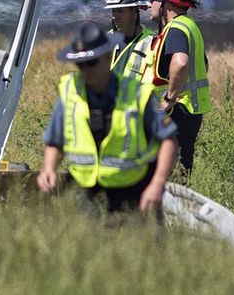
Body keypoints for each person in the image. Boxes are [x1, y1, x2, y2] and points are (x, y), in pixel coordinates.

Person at [37, 21, 178, 216]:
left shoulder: (138, 94)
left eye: (92, 62)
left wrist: (157, 184)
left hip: (133, 194)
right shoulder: (69, 92)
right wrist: (49, 169)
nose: (86, 70)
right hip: (85, 194)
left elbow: (168, 140)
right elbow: (55, 141)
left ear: (108, 56)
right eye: (81, 64)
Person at [148, 0, 210, 175]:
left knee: (167, 171)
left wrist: (170, 97)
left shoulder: (175, 29)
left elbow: (181, 62)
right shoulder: (190, 26)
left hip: (179, 110)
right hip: (191, 111)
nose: (150, 5)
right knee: (182, 170)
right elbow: (204, 64)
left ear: (166, 2)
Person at [104, 0, 153, 82]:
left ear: (135, 11)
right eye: (113, 11)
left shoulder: (152, 43)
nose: (115, 16)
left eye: (120, 11)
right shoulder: (107, 40)